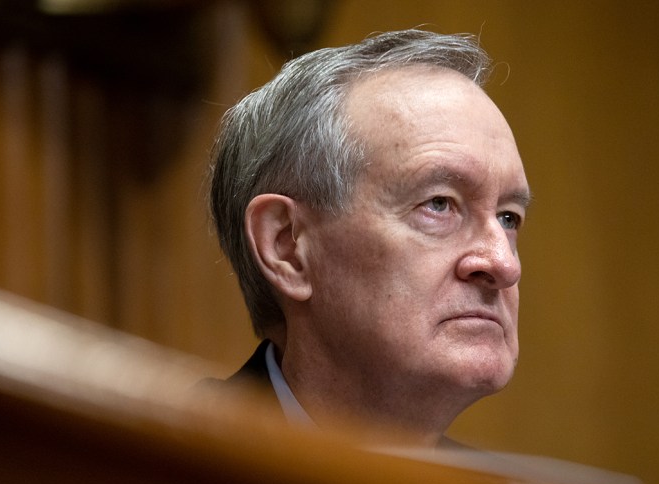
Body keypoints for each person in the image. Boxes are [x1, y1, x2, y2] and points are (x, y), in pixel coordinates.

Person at [208, 29, 530, 448]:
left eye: (508, 217)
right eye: (438, 204)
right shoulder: (145, 476)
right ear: (287, 247)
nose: (504, 264)